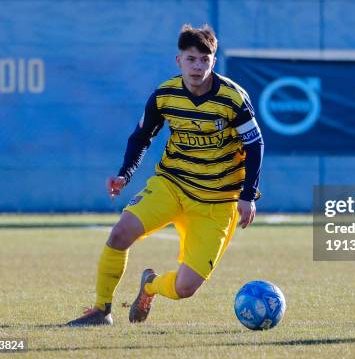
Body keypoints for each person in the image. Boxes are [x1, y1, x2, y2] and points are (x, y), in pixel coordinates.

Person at [67, 24, 263, 327]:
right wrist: (125, 174)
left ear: (214, 61)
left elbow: (255, 143)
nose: (198, 66)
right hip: (172, 185)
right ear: (179, 60)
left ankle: (150, 286)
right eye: (191, 59)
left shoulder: (233, 99)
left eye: (205, 59)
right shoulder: (165, 94)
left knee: (185, 288)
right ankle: (101, 311)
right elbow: (141, 136)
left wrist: (248, 196)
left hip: (217, 201)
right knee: (119, 234)